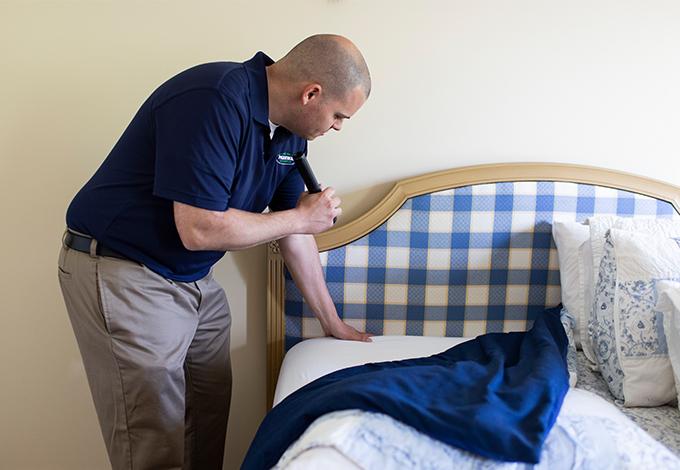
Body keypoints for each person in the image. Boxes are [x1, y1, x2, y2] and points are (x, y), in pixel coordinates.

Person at [57, 34, 372, 470]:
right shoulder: (214, 98)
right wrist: (300, 218)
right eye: (339, 115)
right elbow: (198, 228)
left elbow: (294, 234)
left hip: (191, 277)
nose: (337, 126)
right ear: (311, 93)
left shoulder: (289, 136)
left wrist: (332, 322)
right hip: (124, 267)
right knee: (154, 441)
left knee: (206, 421)